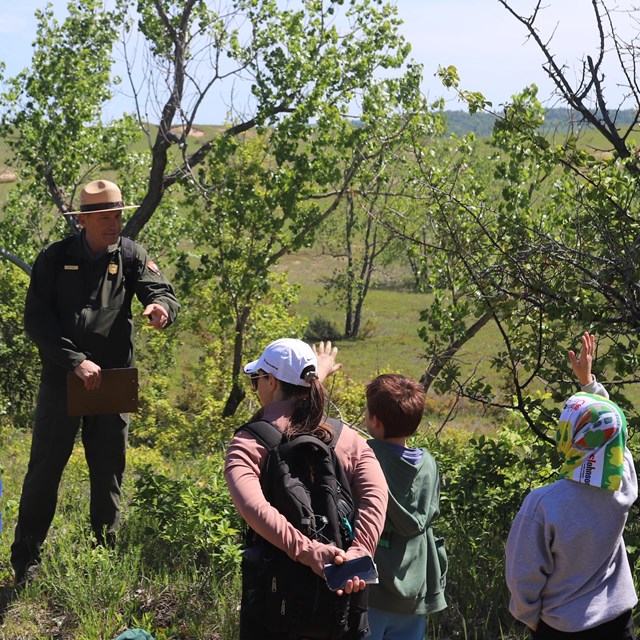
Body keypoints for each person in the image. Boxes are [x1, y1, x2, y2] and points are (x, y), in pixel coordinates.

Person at [11, 179, 180, 587]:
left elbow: (163, 292)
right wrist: (75, 361)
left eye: (118, 215)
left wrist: (160, 308)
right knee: (45, 471)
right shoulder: (54, 258)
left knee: (108, 473)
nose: (114, 223)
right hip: (63, 378)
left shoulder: (130, 254)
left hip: (113, 381)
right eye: (106, 216)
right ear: (84, 219)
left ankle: (103, 557)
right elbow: (36, 319)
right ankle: (26, 562)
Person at [224, 338, 389, 639]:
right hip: (344, 604)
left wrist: (307, 551)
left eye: (256, 379)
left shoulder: (249, 443)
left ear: (271, 381)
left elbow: (252, 506)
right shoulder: (348, 439)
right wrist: (360, 552)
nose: (255, 386)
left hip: (275, 610)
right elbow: (375, 496)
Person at [506, 331, 638, 639]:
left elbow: (522, 573)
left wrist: (530, 618)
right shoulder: (623, 486)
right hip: (619, 623)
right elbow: (610, 428)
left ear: (569, 437)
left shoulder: (544, 503)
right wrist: (589, 382)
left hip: (561, 627)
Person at [364, 373, 447, 640]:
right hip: (415, 593)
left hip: (371, 592)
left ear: (374, 421)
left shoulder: (367, 457)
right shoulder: (429, 464)